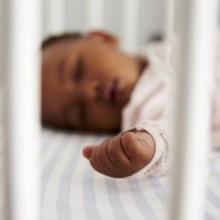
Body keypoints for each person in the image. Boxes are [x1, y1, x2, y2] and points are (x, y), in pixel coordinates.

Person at [41, 30, 220, 179]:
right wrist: (150, 145)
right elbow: (180, 135)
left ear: (103, 38)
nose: (88, 93)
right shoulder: (144, 113)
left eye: (78, 70)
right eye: (79, 111)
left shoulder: (166, 47)